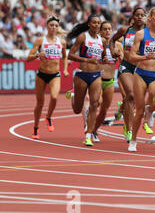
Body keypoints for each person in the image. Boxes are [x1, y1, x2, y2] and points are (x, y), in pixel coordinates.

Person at [127, 7, 155, 152]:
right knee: (138, 111)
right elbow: (132, 57)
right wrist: (144, 57)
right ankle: (133, 140)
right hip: (140, 74)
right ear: (150, 18)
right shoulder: (141, 34)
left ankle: (149, 110)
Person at [26, 16, 69, 139]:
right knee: (40, 103)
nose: (54, 27)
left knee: (54, 97)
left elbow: (64, 57)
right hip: (41, 75)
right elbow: (28, 58)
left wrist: (65, 69)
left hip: (55, 75)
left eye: (56, 26)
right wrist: (38, 55)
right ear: (47, 27)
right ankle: (36, 127)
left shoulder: (62, 42)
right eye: (51, 25)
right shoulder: (40, 40)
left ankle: (49, 117)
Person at [66, 15, 106, 146]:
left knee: (94, 104)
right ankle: (73, 96)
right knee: (77, 109)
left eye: (99, 23)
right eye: (94, 22)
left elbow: (103, 56)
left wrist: (104, 60)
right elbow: (70, 54)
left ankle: (88, 135)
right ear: (89, 24)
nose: (97, 25)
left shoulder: (102, 40)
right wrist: (86, 60)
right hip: (82, 74)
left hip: (96, 75)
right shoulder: (83, 37)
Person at [109, 7, 147, 141]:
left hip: (142, 67)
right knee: (130, 94)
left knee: (138, 99)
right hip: (126, 65)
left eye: (142, 15)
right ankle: (129, 129)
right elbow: (112, 40)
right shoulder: (125, 30)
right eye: (137, 15)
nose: (140, 17)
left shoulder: (149, 32)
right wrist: (113, 50)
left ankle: (122, 107)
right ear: (133, 17)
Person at [91, 21, 123, 141]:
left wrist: (121, 55)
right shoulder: (96, 43)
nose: (108, 31)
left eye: (109, 29)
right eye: (105, 29)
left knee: (104, 110)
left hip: (109, 80)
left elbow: (124, 61)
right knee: (96, 102)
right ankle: (89, 125)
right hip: (97, 78)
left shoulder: (118, 45)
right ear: (100, 31)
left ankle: (94, 130)